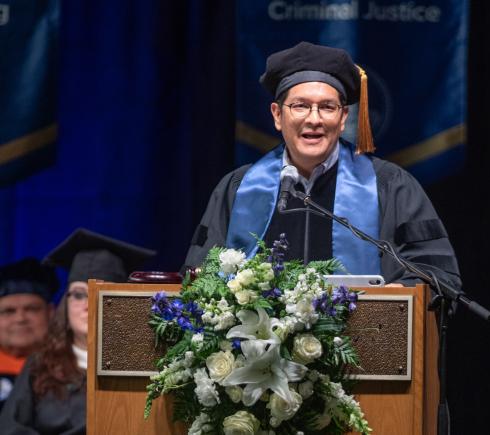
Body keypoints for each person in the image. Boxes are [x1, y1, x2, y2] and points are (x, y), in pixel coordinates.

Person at [184, 41, 461, 288]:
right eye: (300, 106)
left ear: (343, 118)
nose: (314, 119)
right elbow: (199, 278)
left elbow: (437, 275)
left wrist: (401, 294)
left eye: (327, 107)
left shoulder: (390, 186)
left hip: (362, 344)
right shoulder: (237, 189)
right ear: (278, 115)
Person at [0, 228, 156, 434]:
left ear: (122, 303)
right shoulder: (40, 365)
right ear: (66, 304)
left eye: (101, 294)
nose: (88, 305)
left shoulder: (144, 367)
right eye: (79, 295)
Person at [0, 258, 58, 411]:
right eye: (8, 311)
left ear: (51, 313)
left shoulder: (69, 369)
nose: (20, 319)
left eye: (32, 309)